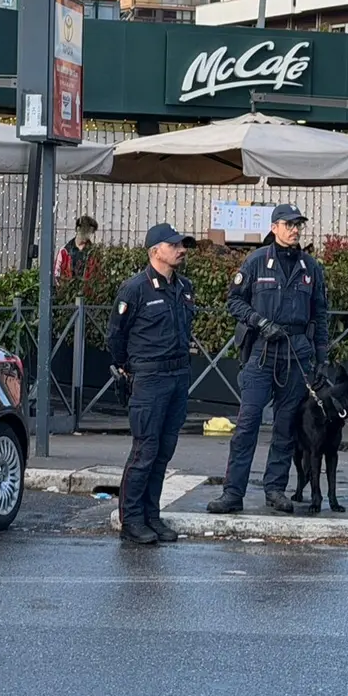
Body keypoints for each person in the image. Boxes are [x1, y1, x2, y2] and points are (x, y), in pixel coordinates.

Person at [206, 204, 329, 515]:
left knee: (286, 427)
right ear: (274, 227)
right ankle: (233, 493)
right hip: (262, 351)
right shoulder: (258, 261)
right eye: (288, 224)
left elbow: (321, 315)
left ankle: (275, 489)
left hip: (297, 353)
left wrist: (321, 359)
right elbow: (234, 301)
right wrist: (258, 322)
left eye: (298, 224)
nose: (295, 229)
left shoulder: (310, 268)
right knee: (247, 425)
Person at [106, 224, 196, 545]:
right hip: (149, 379)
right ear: (155, 251)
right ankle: (131, 518)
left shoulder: (183, 287)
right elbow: (116, 336)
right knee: (145, 450)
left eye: (182, 244)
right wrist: (128, 369)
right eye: (174, 245)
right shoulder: (135, 289)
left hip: (177, 377)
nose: (181, 249)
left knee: (164, 451)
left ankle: (151, 515)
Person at [54, 215, 99, 282]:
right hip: (67, 289)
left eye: (91, 232)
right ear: (78, 229)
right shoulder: (64, 251)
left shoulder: (93, 252)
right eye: (87, 231)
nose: (89, 235)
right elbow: (56, 273)